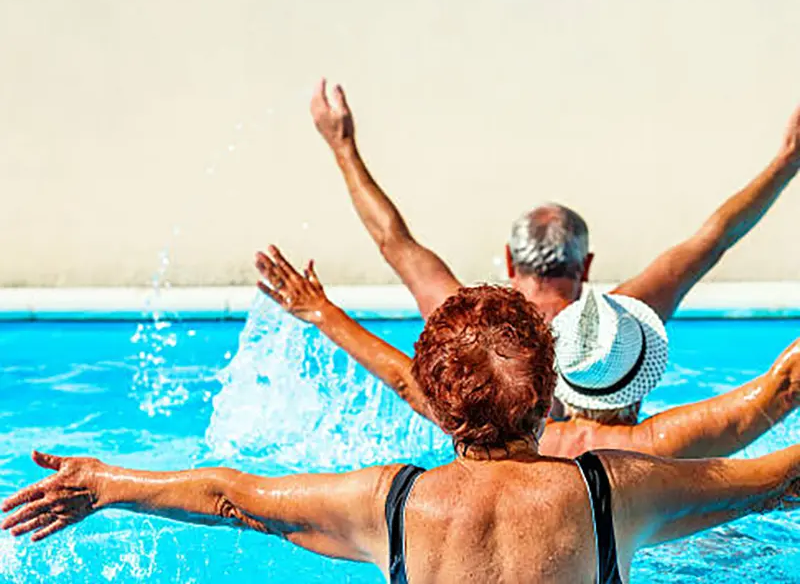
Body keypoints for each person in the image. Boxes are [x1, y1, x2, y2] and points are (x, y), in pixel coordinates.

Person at [4, 286, 800, 584]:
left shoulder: (392, 500)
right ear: (549, 394)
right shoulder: (612, 488)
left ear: (439, 408)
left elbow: (229, 494)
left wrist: (106, 482)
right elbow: (778, 476)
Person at [311, 79, 800, 423]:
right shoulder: (619, 324)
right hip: (613, 491)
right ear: (584, 266)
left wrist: (343, 148)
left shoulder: (469, 324)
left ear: (509, 261)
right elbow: (712, 240)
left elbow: (393, 241)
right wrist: (786, 161)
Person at [256, 246, 800, 459]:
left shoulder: (495, 420)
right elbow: (785, 386)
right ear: (644, 382)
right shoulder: (655, 448)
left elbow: (404, 379)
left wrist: (319, 311)